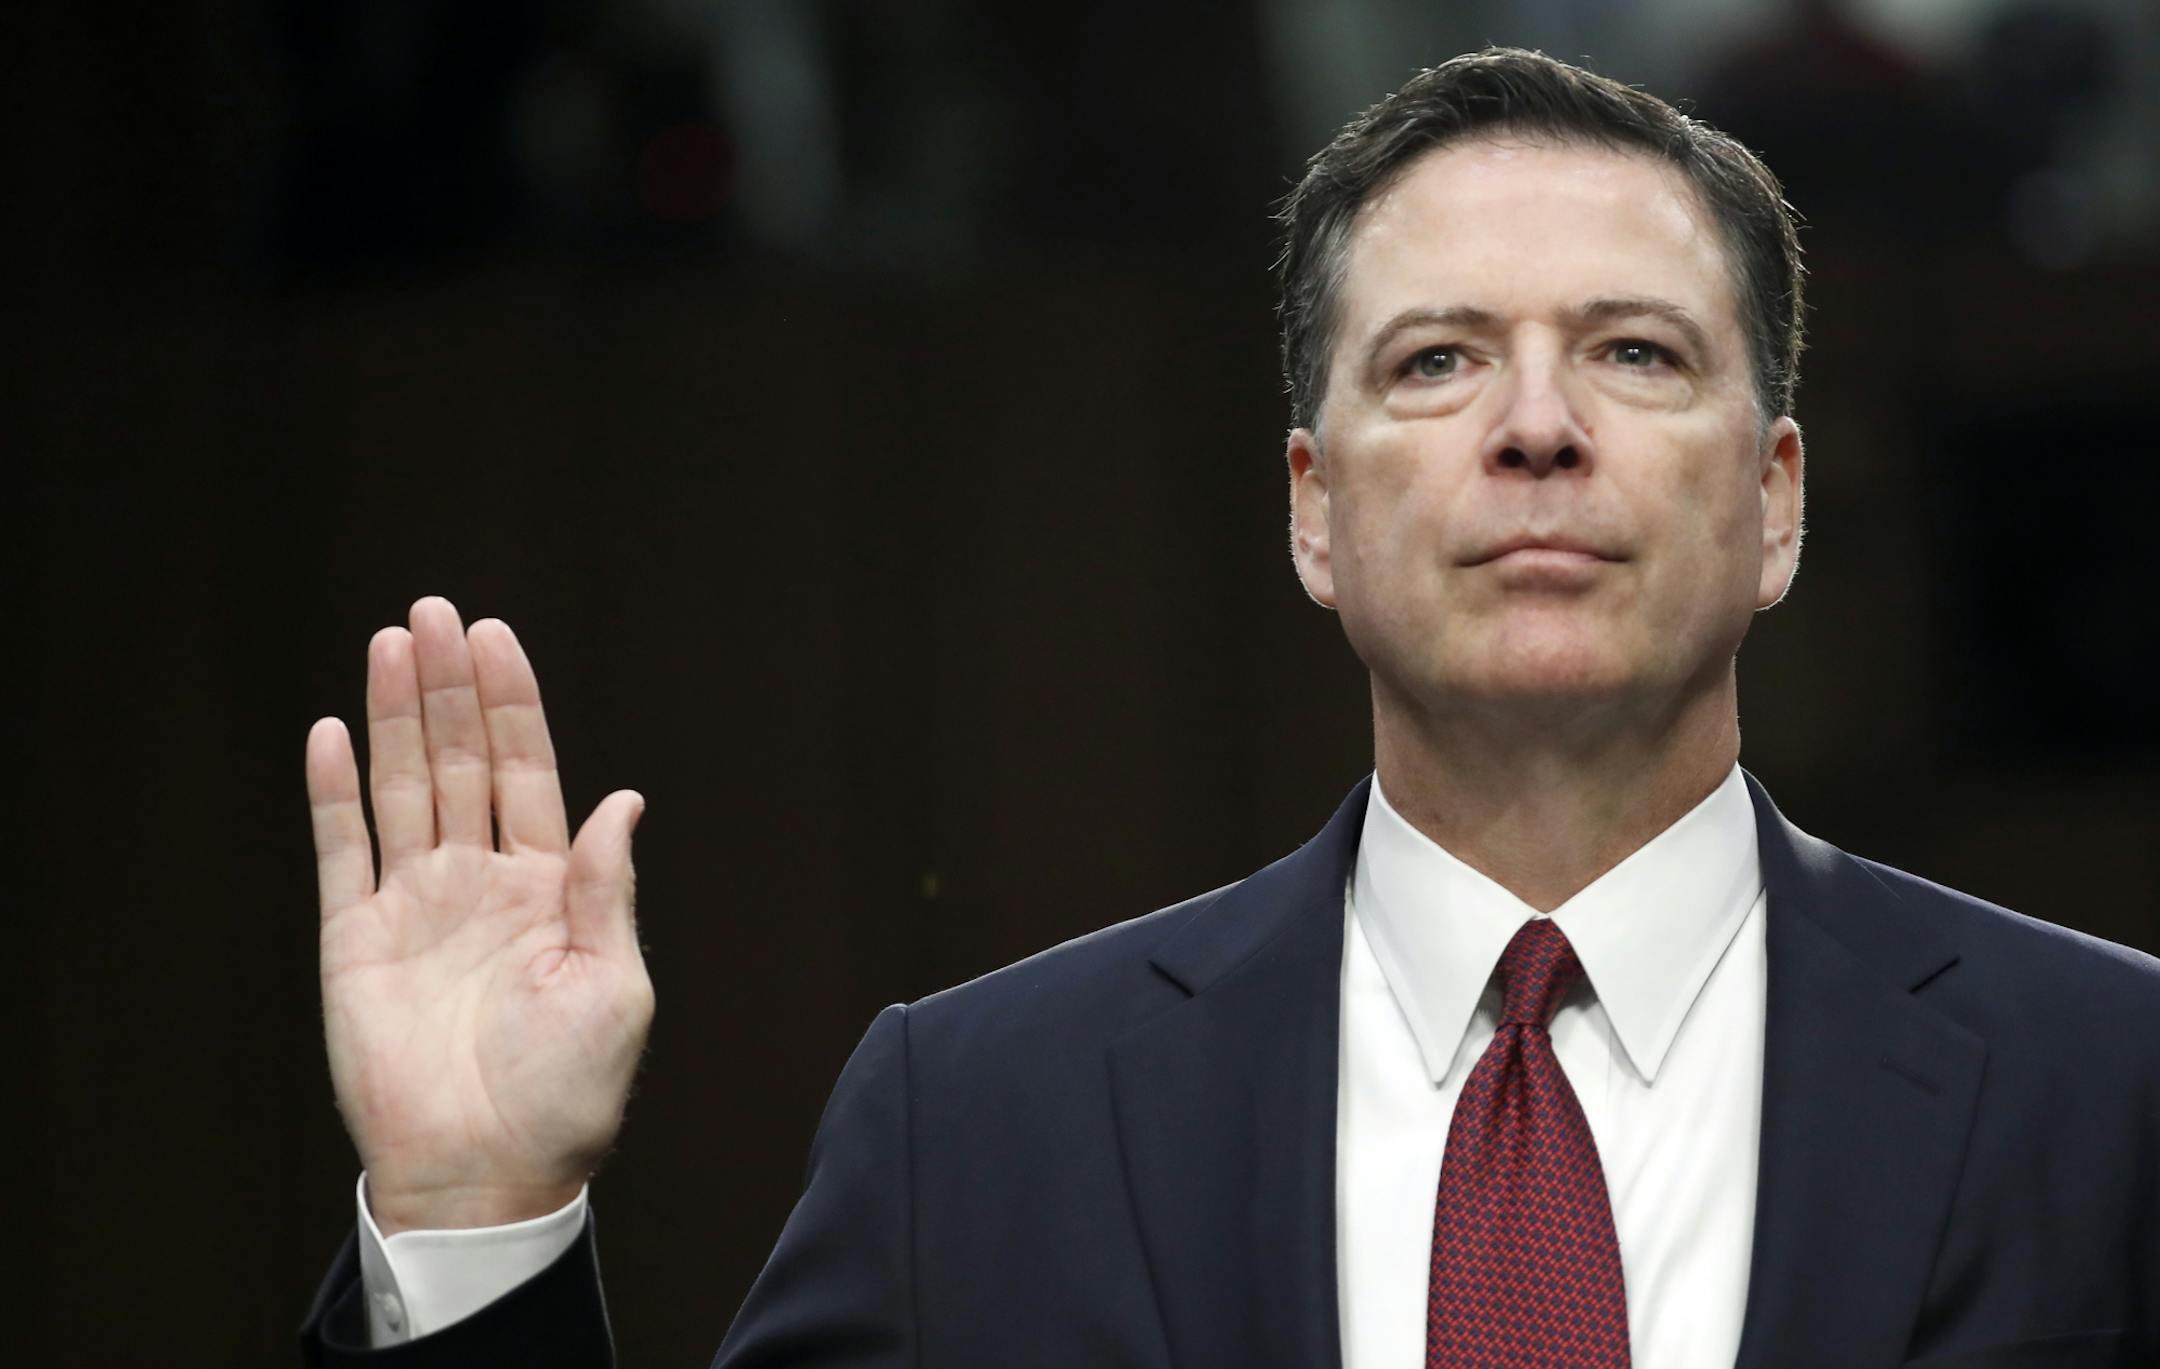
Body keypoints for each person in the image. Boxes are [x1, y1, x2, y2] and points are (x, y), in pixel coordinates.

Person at [297, 48, 2160, 1369]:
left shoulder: (2115, 1089)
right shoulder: (979, 1129)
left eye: (1633, 352)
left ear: (1776, 500)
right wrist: (474, 1222)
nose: (1536, 423)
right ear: (1311, 509)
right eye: (1436, 360)